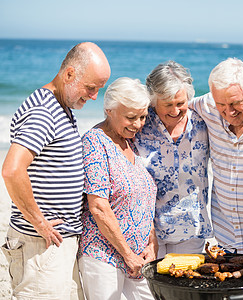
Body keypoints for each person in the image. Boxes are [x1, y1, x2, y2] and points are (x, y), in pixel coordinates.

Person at [1, 42, 110, 299]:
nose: (94, 96)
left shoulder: (62, 107)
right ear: (69, 74)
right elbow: (12, 170)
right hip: (42, 246)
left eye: (99, 90)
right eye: (90, 88)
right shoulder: (44, 112)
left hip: (54, 246)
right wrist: (40, 223)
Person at [189, 58, 243, 258]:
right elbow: (171, 107)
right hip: (224, 241)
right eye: (221, 104)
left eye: (236, 103)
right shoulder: (207, 107)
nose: (229, 112)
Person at [77, 77, 157, 300]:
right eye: (131, 117)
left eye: (142, 117)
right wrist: (127, 254)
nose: (138, 124)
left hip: (138, 257)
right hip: (103, 253)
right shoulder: (95, 142)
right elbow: (99, 206)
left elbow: (143, 199)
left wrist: (152, 243)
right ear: (109, 110)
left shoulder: (131, 142)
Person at [134, 61, 213, 258]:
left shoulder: (203, 123)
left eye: (180, 103)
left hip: (191, 228)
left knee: (185, 287)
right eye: (167, 105)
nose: (175, 111)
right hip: (148, 229)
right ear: (153, 101)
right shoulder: (139, 125)